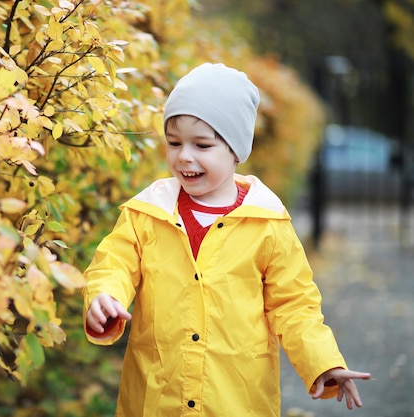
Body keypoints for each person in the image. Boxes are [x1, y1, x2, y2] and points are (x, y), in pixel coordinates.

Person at [82, 63, 371, 417]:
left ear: (235, 150)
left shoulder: (267, 223)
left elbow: (294, 305)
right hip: (156, 398)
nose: (184, 155)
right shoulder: (147, 212)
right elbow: (114, 263)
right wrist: (105, 296)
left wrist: (323, 363)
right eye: (174, 143)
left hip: (235, 401)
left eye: (202, 144)